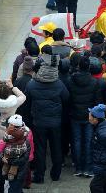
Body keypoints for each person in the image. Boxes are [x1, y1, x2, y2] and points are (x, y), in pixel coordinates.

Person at [25, 54, 70, 183]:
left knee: (40, 149)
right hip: (56, 122)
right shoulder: (59, 84)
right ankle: (55, 174)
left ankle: (39, 175)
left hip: (38, 122)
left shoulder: (32, 84)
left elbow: (27, 103)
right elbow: (66, 98)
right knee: (56, 147)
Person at [88, 104, 106, 193]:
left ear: (96, 119)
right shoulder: (103, 125)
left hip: (104, 165)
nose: (88, 118)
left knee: (95, 186)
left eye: (90, 116)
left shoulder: (103, 134)